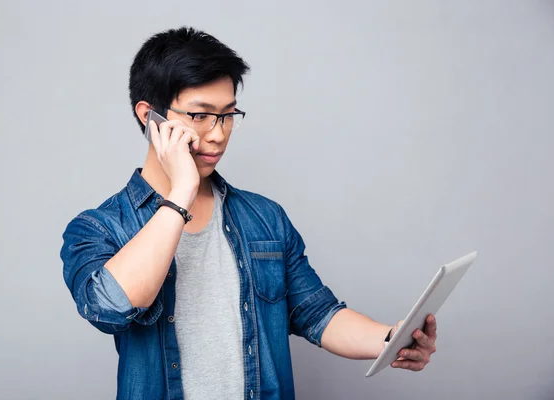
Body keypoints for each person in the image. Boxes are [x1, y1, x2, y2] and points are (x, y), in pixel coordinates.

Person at [60, 26, 438, 400]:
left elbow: (318, 313)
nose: (218, 134)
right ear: (149, 117)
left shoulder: (265, 218)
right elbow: (109, 308)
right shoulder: (99, 228)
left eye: (227, 115)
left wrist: (392, 340)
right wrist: (182, 192)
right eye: (200, 115)